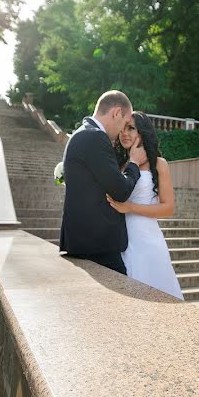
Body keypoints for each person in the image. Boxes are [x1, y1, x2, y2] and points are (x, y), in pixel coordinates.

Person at [59, 91, 147, 274]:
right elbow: (121, 191)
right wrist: (134, 163)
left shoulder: (83, 132)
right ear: (116, 113)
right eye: (124, 124)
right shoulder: (95, 136)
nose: (123, 131)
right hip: (97, 246)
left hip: (86, 241)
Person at [107, 111, 184, 300]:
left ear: (142, 132)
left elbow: (168, 208)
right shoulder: (120, 164)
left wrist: (130, 207)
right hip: (121, 242)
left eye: (131, 128)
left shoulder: (159, 164)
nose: (125, 133)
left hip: (147, 242)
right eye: (123, 128)